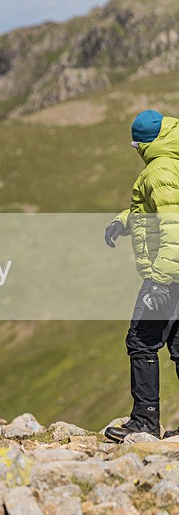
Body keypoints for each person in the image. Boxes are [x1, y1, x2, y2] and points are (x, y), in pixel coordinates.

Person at [104, 109, 179, 442]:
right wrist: (124, 221)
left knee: (141, 341)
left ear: (143, 144)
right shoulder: (174, 162)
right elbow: (160, 210)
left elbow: (173, 228)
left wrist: (160, 281)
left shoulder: (158, 170)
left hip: (168, 274)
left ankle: (145, 422)